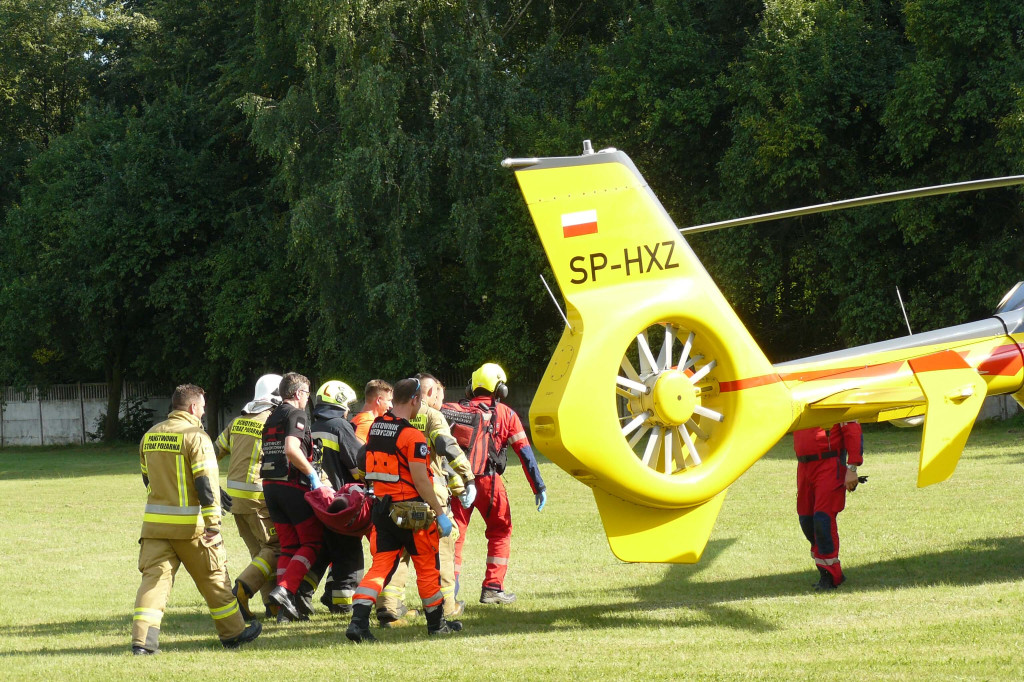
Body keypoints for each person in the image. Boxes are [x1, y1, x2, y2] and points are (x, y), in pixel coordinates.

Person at [132, 384, 261, 654]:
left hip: (155, 527)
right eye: (202, 406)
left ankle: (143, 643)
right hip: (193, 529)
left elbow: (148, 480)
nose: (204, 410)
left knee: (153, 584)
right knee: (215, 581)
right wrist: (213, 524)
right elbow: (206, 484)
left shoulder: (150, 435)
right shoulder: (196, 437)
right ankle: (234, 634)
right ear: (192, 407)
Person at [346, 378, 458, 642]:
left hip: (382, 511)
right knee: (427, 566)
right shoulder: (412, 436)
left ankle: (358, 623)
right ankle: (436, 624)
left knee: (381, 567)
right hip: (412, 514)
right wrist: (440, 514)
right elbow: (421, 479)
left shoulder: (375, 427)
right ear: (415, 400)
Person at [378, 373, 476, 626]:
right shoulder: (433, 416)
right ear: (425, 395)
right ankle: (446, 607)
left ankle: (388, 605)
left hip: (394, 497)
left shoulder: (387, 419)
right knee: (439, 552)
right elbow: (446, 446)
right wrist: (469, 477)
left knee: (396, 553)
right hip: (429, 496)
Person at [445, 363, 546, 605]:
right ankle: (492, 587)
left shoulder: (455, 410)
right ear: (501, 388)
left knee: (456, 536)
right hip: (490, 483)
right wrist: (538, 486)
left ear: (472, 386)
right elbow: (525, 453)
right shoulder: (506, 414)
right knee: (500, 531)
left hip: (458, 482)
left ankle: (449, 592)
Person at [214, 373, 282, 620]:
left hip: (235, 501)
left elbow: (212, 454)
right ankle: (240, 592)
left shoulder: (237, 421)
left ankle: (272, 605)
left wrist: (214, 488)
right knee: (276, 548)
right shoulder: (271, 421)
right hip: (258, 499)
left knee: (261, 553)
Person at [261, 372, 324, 621]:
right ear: (298, 394)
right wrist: (312, 475)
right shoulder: (296, 413)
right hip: (292, 486)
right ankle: (286, 590)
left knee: (288, 546)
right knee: (312, 543)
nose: (308, 400)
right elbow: (291, 448)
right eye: (307, 394)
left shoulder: (271, 415)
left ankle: (283, 612)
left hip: (270, 486)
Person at [310, 379, 365, 614]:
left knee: (324, 551)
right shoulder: (340, 426)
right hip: (340, 502)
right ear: (340, 402)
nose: (349, 411)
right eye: (347, 405)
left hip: (317, 499)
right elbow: (357, 467)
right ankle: (343, 606)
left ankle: (303, 594)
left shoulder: (311, 425)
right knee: (349, 554)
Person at [793, 421, 864, 590]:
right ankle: (825, 567)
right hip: (804, 466)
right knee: (806, 520)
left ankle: (831, 575)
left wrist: (852, 467)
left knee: (822, 519)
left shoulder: (833, 395)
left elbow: (852, 428)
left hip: (829, 463)